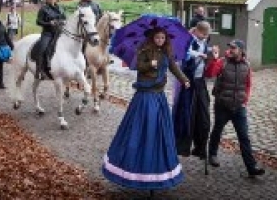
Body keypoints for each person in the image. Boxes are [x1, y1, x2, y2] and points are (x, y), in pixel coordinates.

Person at [102, 27, 190, 191]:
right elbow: (137, 66)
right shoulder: (143, 49)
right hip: (145, 95)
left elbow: (173, 67)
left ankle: (157, 169)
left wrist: (184, 79)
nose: (160, 41)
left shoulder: (166, 53)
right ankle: (134, 166)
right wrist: (150, 64)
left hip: (159, 96)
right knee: (142, 128)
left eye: (163, 38)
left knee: (159, 130)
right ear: (152, 38)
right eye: (157, 38)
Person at [204, 39, 265, 176]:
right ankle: (212, 154)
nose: (231, 50)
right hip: (222, 105)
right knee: (217, 130)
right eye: (230, 47)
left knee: (244, 137)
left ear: (241, 51)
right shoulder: (222, 62)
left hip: (239, 107)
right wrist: (213, 60)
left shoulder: (247, 65)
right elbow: (209, 74)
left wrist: (245, 100)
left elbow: (248, 84)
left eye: (234, 48)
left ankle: (251, 167)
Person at [175, 21, 212, 159]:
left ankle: (200, 147)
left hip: (200, 81)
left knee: (203, 115)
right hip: (189, 82)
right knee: (186, 114)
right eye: (203, 34)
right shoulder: (189, 40)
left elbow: (206, 54)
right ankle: (182, 146)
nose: (205, 36)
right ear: (197, 31)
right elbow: (184, 54)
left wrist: (210, 53)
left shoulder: (204, 42)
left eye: (207, 34)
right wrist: (199, 55)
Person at [35, 0, 66, 80]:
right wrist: (49, 23)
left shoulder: (60, 8)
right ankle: (39, 70)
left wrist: (63, 21)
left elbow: (65, 18)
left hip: (59, 32)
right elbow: (38, 21)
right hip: (47, 33)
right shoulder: (43, 9)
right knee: (42, 48)